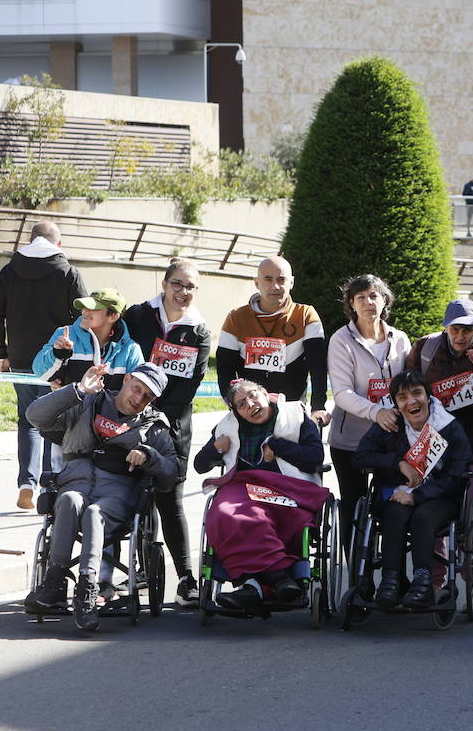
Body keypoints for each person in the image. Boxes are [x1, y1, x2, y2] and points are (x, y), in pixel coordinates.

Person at [23, 362, 177, 631]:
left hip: (117, 493)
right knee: (70, 501)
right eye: (137, 388)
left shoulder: (154, 426)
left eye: (147, 396)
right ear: (127, 379)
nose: (138, 398)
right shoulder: (89, 401)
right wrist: (78, 390)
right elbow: (34, 416)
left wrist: (149, 456)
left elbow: (170, 474)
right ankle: (54, 582)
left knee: (95, 513)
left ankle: (87, 590)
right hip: (75, 482)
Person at [194, 379, 329, 617]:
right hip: (243, 488)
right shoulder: (227, 427)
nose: (250, 405)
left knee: (271, 519)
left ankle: (254, 586)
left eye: (253, 396)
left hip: (288, 488)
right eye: (241, 404)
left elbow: (315, 456)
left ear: (266, 393)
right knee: (226, 513)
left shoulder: (295, 415)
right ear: (235, 412)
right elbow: (199, 465)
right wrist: (215, 448)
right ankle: (277, 579)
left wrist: (279, 446)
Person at [122, 259, 212, 607]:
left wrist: (156, 419)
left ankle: (186, 578)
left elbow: (188, 387)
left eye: (190, 287)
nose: (183, 292)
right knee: (130, 491)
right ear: (164, 283)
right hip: (127, 415)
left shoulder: (199, 331)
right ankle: (143, 570)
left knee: (169, 498)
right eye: (178, 284)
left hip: (173, 424)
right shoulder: (138, 315)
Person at [354, 370, 473, 610]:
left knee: (422, 516)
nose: (411, 402)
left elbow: (458, 473)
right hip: (399, 492)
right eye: (402, 397)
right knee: (393, 513)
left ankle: (423, 583)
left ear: (428, 397)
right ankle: (391, 581)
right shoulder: (392, 424)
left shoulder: (448, 427)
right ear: (396, 403)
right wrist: (398, 463)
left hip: (440, 495)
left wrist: (417, 496)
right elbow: (361, 457)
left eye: (417, 393)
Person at [0, 220, 86, 510]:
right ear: (57, 244)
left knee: (28, 420)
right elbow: (82, 316)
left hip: (21, 356)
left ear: (31, 239)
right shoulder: (68, 273)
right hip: (58, 357)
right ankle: (50, 484)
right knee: (56, 419)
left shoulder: (9, 271)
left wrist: (2, 352)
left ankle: (26, 483)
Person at [407, 298, 473, 542]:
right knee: (433, 518)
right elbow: (407, 393)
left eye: (467, 330)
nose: (460, 336)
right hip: (434, 448)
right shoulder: (425, 349)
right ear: (445, 327)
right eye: (455, 329)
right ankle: (436, 579)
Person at [327, 275, 411, 548]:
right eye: (360, 297)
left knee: (392, 504)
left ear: (384, 300)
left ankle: (392, 575)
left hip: (392, 439)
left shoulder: (399, 339)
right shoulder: (341, 340)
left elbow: (410, 384)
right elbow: (342, 394)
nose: (368, 302)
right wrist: (377, 412)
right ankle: (356, 581)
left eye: (374, 296)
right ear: (351, 304)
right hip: (351, 440)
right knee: (353, 507)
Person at [216, 256, 330, 429]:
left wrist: (318, 407)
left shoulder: (306, 315)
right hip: (249, 414)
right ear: (256, 282)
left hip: (292, 413)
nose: (275, 286)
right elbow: (224, 368)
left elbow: (318, 367)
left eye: (281, 279)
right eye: (268, 279)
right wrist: (234, 406)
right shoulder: (235, 318)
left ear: (292, 282)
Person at [34, 288, 143, 392]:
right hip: (69, 411)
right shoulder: (64, 334)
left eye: (94, 308)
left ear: (113, 316)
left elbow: (135, 392)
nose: (85, 311)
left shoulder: (131, 350)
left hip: (108, 412)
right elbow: (41, 373)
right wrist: (58, 354)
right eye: (84, 306)